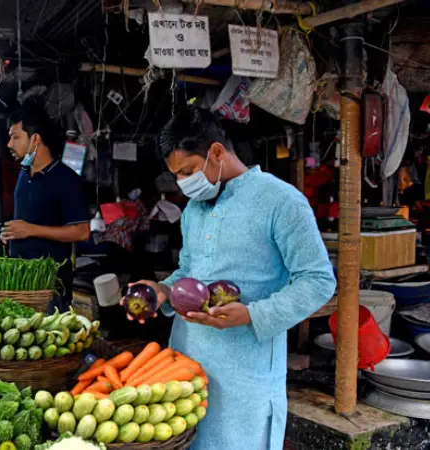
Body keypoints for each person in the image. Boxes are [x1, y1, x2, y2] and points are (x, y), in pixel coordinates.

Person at [125, 108, 336, 450]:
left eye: (188, 171)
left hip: (244, 372)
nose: (183, 183)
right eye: (176, 175)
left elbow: (318, 280)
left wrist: (253, 315)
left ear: (217, 152)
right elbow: (190, 271)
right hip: (185, 364)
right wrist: (162, 290)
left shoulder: (282, 201)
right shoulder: (194, 209)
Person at [1, 101, 90, 312]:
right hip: (21, 280)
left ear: (35, 139)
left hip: (51, 285)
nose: (9, 144)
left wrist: (31, 230)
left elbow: (82, 232)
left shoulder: (66, 179)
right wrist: (11, 233)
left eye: (15, 137)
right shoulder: (24, 173)